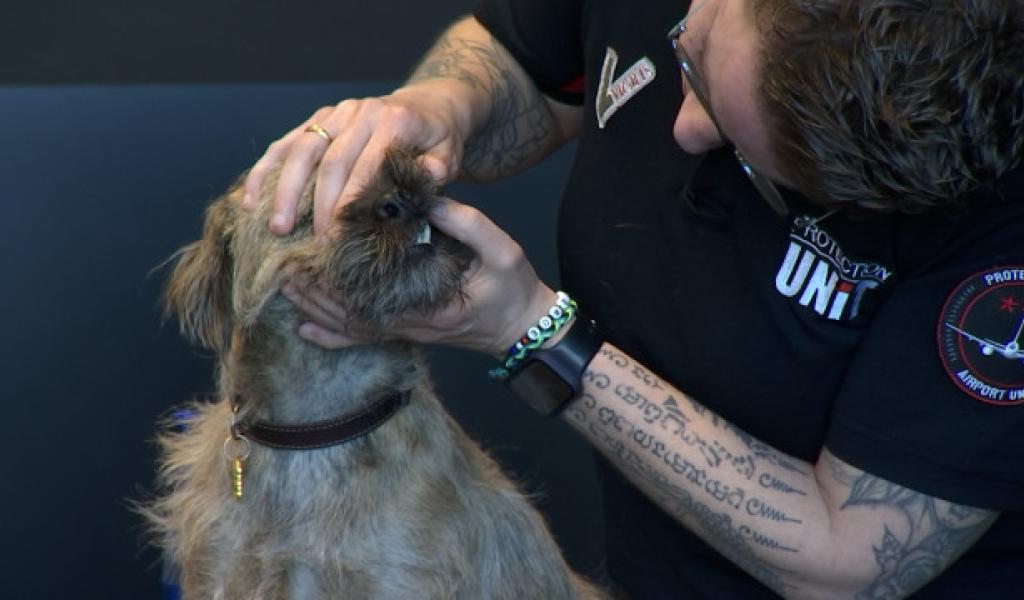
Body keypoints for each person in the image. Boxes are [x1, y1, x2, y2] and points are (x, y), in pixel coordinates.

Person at [242, 0, 1024, 597]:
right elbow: (528, 66)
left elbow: (847, 562)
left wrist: (534, 331)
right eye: (690, 62)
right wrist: (442, 104)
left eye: (758, 169)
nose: (683, 131)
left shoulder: (1001, 217)